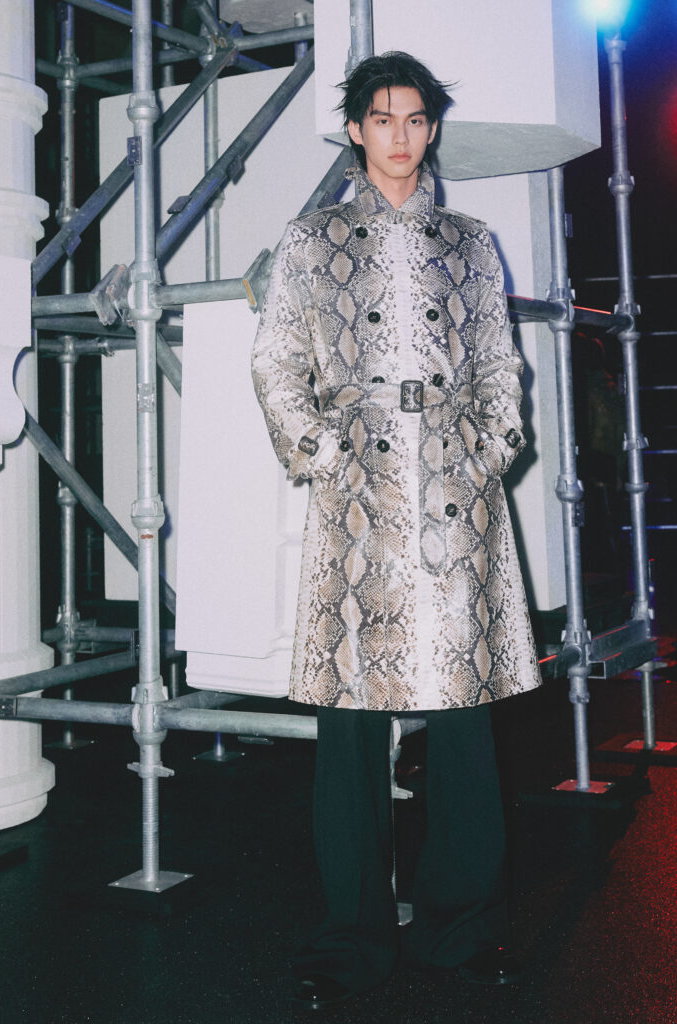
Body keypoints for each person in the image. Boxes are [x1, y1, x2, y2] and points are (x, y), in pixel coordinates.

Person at [251, 51, 542, 1011]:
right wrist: (323, 452)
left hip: (455, 491)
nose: (401, 137)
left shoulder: (469, 240)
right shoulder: (312, 238)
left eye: (416, 120)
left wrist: (491, 445)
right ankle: (351, 942)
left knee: (463, 720)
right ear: (354, 130)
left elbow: (497, 360)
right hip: (359, 496)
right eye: (382, 119)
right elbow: (277, 360)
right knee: (349, 726)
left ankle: (462, 932)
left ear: (431, 128)